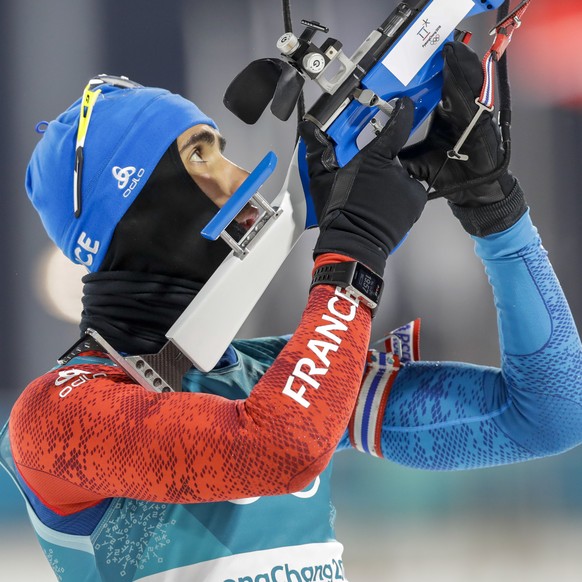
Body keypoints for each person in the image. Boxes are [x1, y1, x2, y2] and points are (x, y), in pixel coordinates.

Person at [1, 41, 580, 582]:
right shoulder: (56, 414)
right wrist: (354, 253)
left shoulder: (274, 377)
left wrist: (496, 214)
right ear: (130, 206)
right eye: (200, 154)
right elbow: (283, 448)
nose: (239, 183)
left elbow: (551, 415)